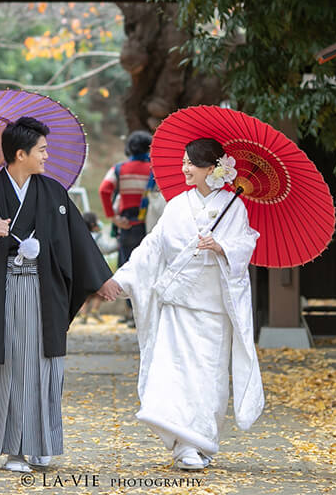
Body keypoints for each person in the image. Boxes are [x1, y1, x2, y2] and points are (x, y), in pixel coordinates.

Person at [0, 116, 117, 474]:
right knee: (13, 367)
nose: (47, 155)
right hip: (6, 293)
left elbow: (78, 239)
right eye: (42, 150)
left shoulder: (52, 193)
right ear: (20, 153)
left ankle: (41, 442)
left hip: (43, 292)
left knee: (45, 366)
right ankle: (14, 449)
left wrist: (100, 279)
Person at [99, 137, 264, 471]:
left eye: (191, 163)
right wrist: (121, 279)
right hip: (177, 306)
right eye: (185, 162)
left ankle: (200, 441)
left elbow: (244, 245)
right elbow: (151, 248)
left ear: (212, 168)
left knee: (208, 377)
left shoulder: (235, 207)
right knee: (173, 375)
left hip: (212, 308)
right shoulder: (176, 206)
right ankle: (183, 445)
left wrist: (221, 247)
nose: (185, 168)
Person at [98, 130, 155, 325]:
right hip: (148, 225)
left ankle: (131, 313)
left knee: (127, 266)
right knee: (147, 267)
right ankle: (146, 312)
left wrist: (112, 217)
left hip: (127, 224)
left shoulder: (119, 169)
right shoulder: (153, 169)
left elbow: (104, 190)